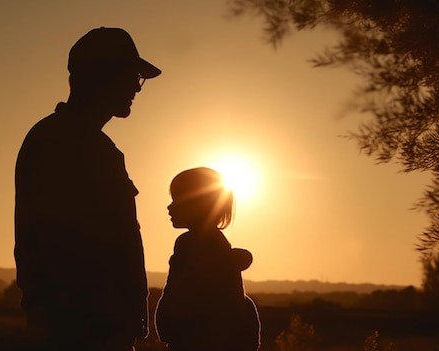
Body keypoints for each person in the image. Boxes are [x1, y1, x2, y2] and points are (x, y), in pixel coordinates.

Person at [14, 27, 161, 350]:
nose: (136, 89)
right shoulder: (60, 143)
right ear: (101, 77)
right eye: (131, 77)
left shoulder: (94, 146)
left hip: (99, 326)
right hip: (81, 330)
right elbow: (61, 246)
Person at [155, 167, 261, 351]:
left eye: (177, 200)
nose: (169, 207)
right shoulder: (217, 245)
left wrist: (168, 324)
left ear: (198, 204)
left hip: (196, 340)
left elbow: (181, 294)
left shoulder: (189, 244)